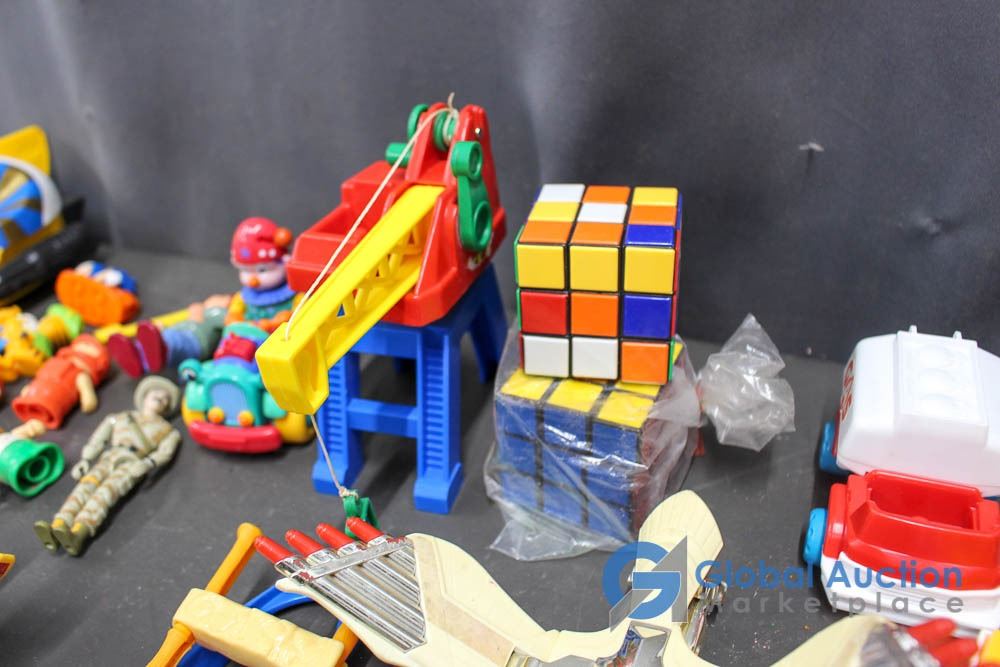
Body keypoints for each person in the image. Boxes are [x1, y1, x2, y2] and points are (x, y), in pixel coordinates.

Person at [107, 217, 299, 378]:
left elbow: (297, 315)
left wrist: (275, 322)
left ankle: (160, 350)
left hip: (266, 346)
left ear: (285, 262)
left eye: (263, 270)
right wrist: (218, 310)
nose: (253, 280)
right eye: (246, 271)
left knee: (209, 319)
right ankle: (154, 348)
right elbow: (236, 307)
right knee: (202, 321)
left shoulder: (294, 293)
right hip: (236, 336)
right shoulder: (245, 296)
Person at [33, 376, 181, 556]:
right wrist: (86, 459)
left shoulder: (167, 431)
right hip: (109, 456)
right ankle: (60, 524)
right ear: (145, 396)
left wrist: (148, 463)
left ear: (168, 406)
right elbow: (99, 439)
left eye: (165, 398)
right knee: (85, 486)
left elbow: (165, 452)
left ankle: (79, 533)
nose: (160, 398)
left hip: (132, 462)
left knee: (105, 494)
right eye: (156, 393)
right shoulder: (119, 418)